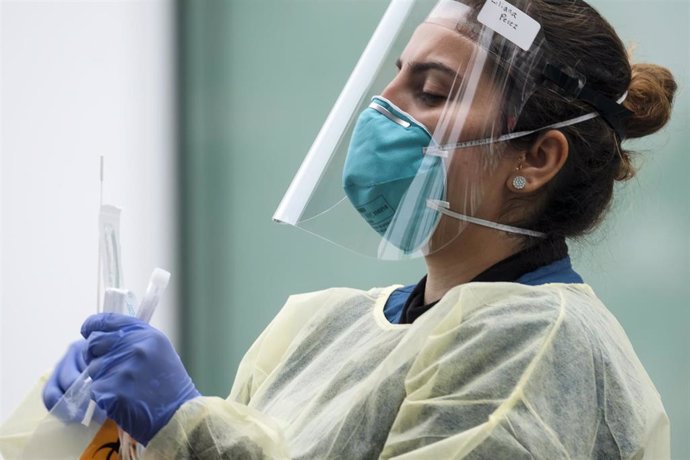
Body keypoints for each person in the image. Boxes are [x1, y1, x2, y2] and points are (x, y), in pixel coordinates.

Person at [0, 0, 677, 458]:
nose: (385, 109)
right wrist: (108, 429)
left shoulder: (538, 343)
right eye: (397, 78)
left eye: (434, 91)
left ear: (537, 157)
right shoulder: (324, 329)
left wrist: (186, 424)